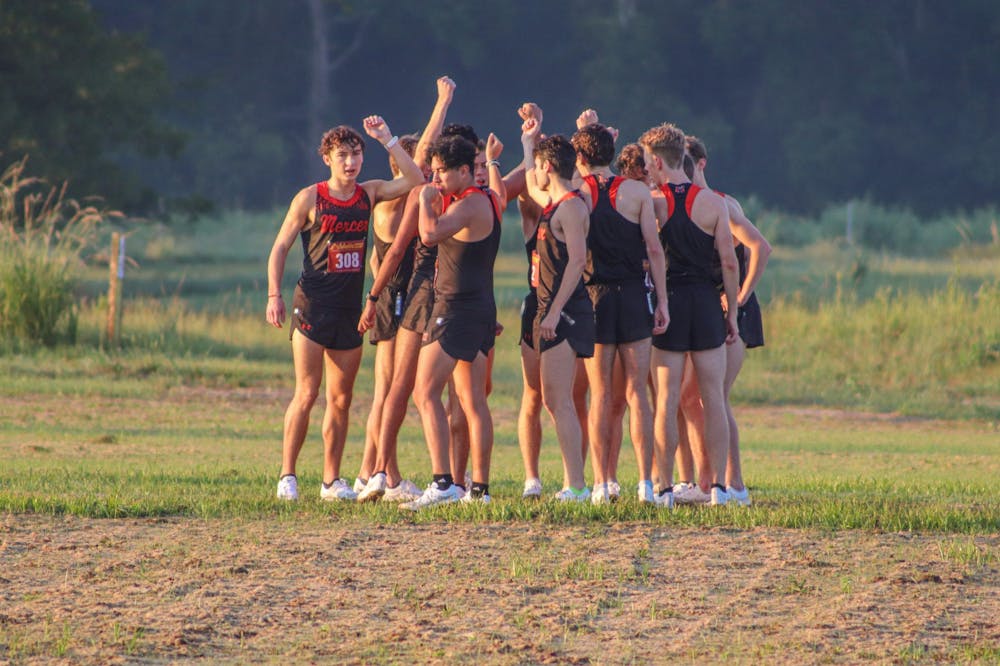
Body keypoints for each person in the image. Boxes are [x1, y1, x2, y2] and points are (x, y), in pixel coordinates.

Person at [266, 116, 423, 501]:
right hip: (312, 306)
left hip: (349, 312)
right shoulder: (309, 197)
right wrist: (274, 294)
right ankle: (288, 476)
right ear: (327, 159)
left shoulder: (368, 194)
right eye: (341, 156)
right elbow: (280, 247)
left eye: (355, 154)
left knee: (340, 401)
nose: (350, 162)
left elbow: (416, 181)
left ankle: (331, 481)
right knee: (307, 393)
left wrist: (389, 140)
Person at [354, 76, 455, 503]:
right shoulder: (397, 197)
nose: (429, 168)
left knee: (385, 391)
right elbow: (425, 150)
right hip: (392, 297)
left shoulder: (401, 194)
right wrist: (443, 102)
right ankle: (385, 476)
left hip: (387, 295)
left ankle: (368, 472)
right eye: (421, 163)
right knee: (393, 389)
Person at [639, 122, 739, 507]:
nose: (646, 168)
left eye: (648, 161)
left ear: (659, 162)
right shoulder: (715, 203)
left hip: (671, 301)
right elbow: (729, 263)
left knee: (666, 399)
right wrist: (730, 312)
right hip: (707, 302)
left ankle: (664, 488)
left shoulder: (654, 202)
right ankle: (717, 488)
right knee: (713, 397)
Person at [402, 134, 503, 509]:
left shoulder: (472, 203)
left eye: (443, 172)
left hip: (457, 309)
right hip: (478, 308)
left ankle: (443, 483)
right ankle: (478, 490)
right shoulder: (484, 198)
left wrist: (427, 201)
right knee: (473, 401)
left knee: (424, 392)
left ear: (465, 170)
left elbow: (428, 235)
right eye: (435, 172)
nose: (437, 178)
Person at [572, 110, 668, 505]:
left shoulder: (577, 193)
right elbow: (655, 250)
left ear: (580, 158)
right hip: (632, 296)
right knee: (637, 395)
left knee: (600, 394)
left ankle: (601, 483)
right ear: (613, 153)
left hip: (595, 297)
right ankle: (645, 483)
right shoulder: (638, 193)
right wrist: (661, 300)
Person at [672, 137, 771, 506]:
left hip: (733, 311)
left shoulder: (722, 205)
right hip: (711, 308)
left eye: (687, 165)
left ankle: (733, 486)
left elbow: (761, 246)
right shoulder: (693, 205)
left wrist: (740, 298)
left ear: (701, 165)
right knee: (694, 396)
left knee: (713, 396)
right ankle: (712, 482)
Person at [520, 117, 596, 502]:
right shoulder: (555, 203)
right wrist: (527, 141)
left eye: (537, 164)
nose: (535, 173)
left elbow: (578, 262)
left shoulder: (571, 208)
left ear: (549, 167)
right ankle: (574, 483)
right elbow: (533, 188)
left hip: (564, 313)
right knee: (552, 398)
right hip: (549, 309)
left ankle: (577, 485)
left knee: (560, 399)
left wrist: (553, 313)